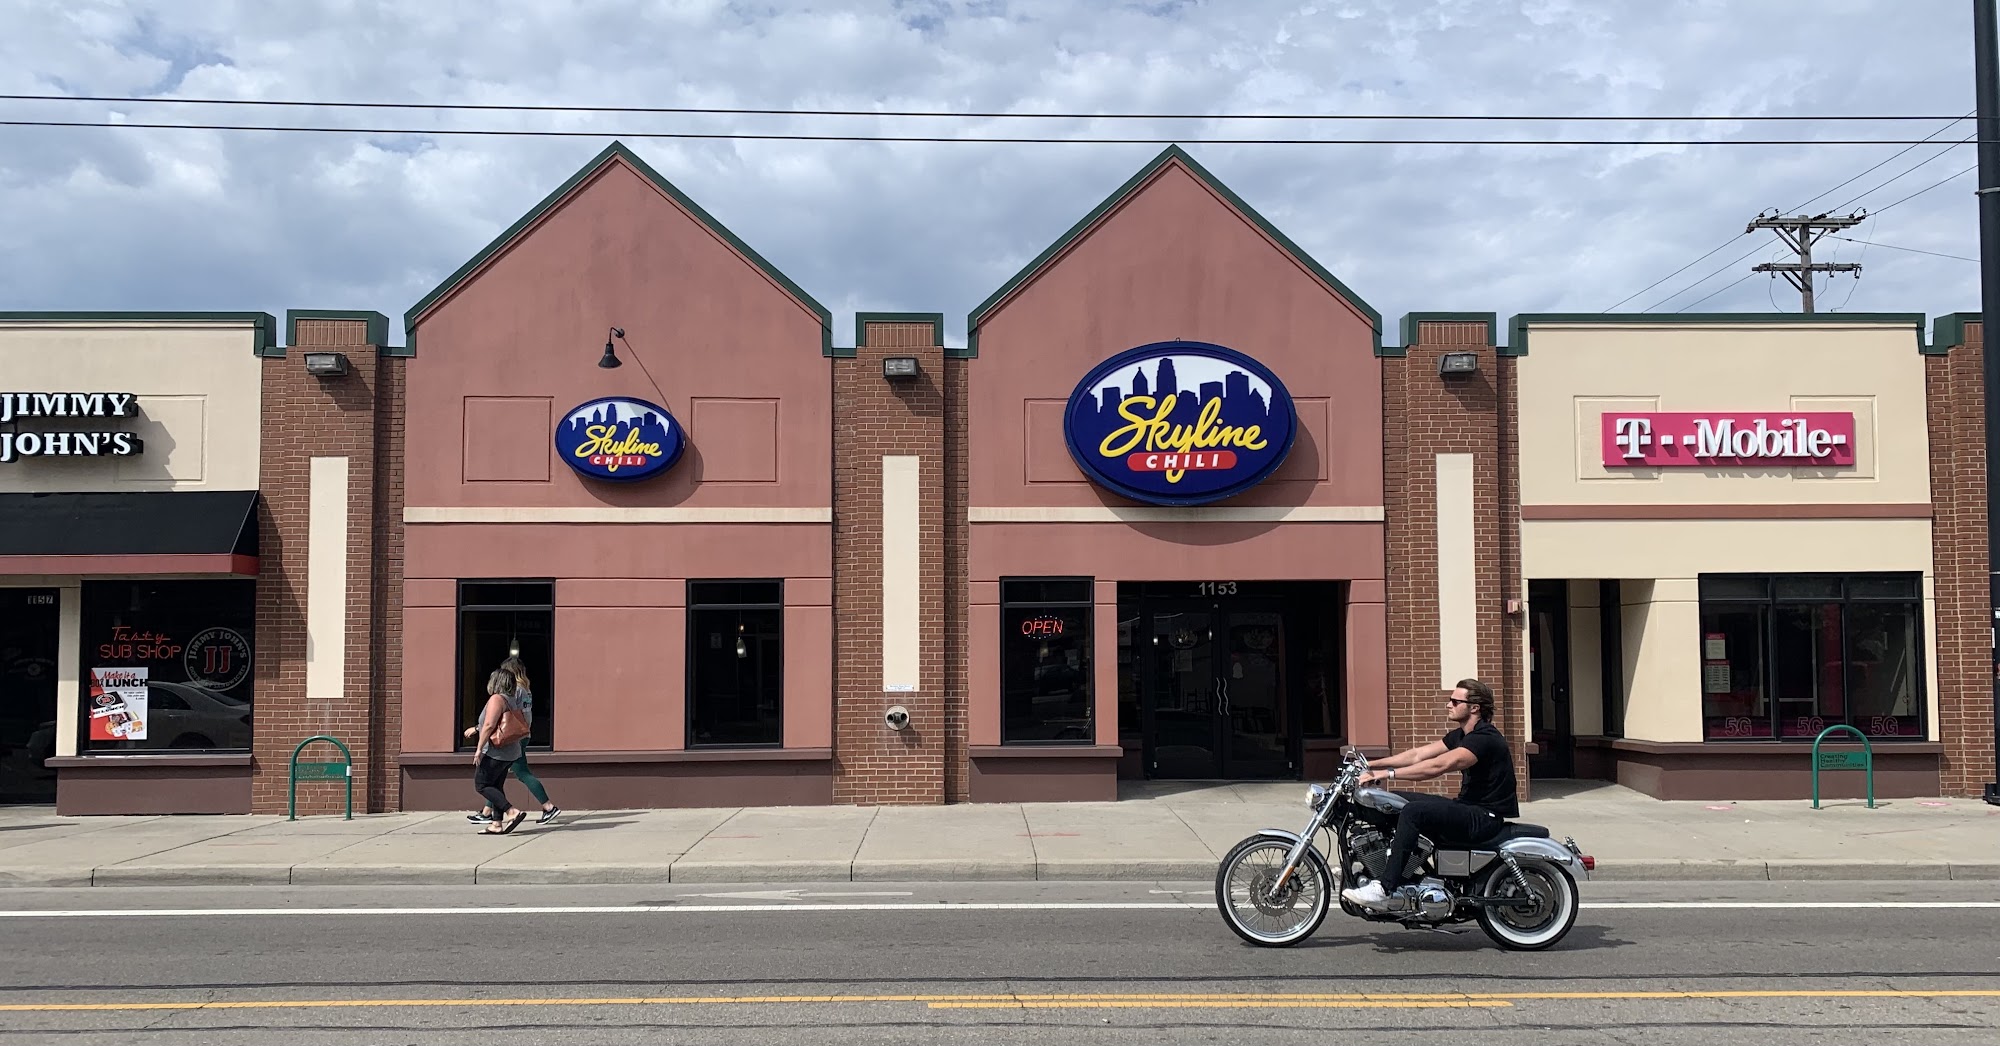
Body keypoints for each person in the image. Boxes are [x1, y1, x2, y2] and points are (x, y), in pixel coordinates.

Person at [1339, 677, 1519, 913]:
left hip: (1484, 817)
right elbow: (1417, 755)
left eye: (1455, 701)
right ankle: (1374, 863)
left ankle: (1384, 888)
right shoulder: (1462, 735)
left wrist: (1388, 773)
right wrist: (1371, 766)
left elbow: (1438, 766)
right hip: (1467, 808)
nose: (1448, 704)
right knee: (1395, 801)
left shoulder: (1485, 738)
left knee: (1413, 812)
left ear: (1475, 707)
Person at [464, 655, 561, 825]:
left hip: (512, 737)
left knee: (521, 772)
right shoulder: (526, 689)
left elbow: (500, 719)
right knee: (497, 777)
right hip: (521, 735)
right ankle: (488, 812)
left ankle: (548, 806)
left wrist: (478, 731)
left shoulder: (514, 691)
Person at [471, 667, 529, 835]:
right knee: (496, 785)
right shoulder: (511, 699)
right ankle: (496, 824)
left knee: (481, 785)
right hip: (511, 751)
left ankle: (511, 811)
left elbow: (489, 725)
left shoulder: (497, 699)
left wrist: (479, 749)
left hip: (496, 751)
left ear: (495, 682)